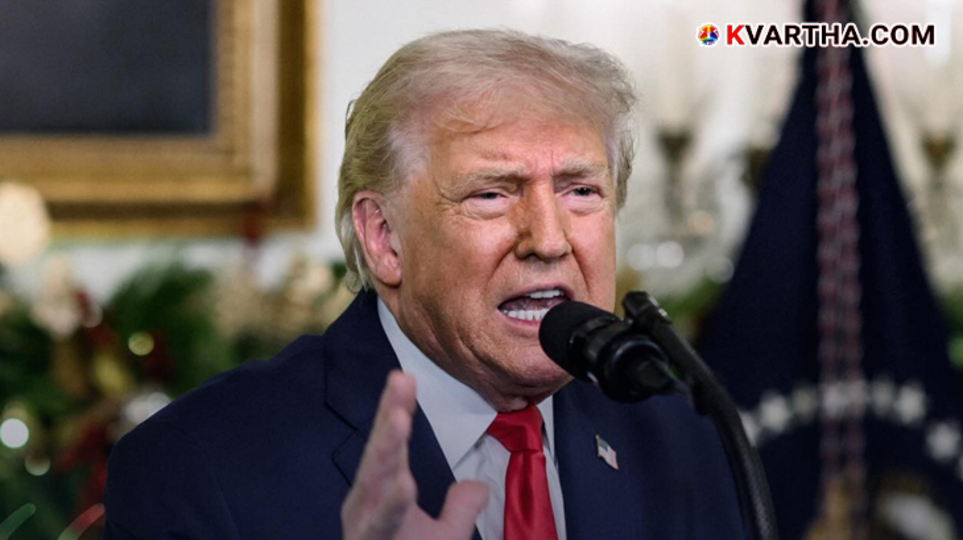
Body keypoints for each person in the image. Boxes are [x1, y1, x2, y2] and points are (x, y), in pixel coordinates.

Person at [104, 29, 744, 539]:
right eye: (492, 194)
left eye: (581, 191)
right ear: (383, 237)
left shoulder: (681, 439)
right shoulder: (200, 469)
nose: (549, 240)